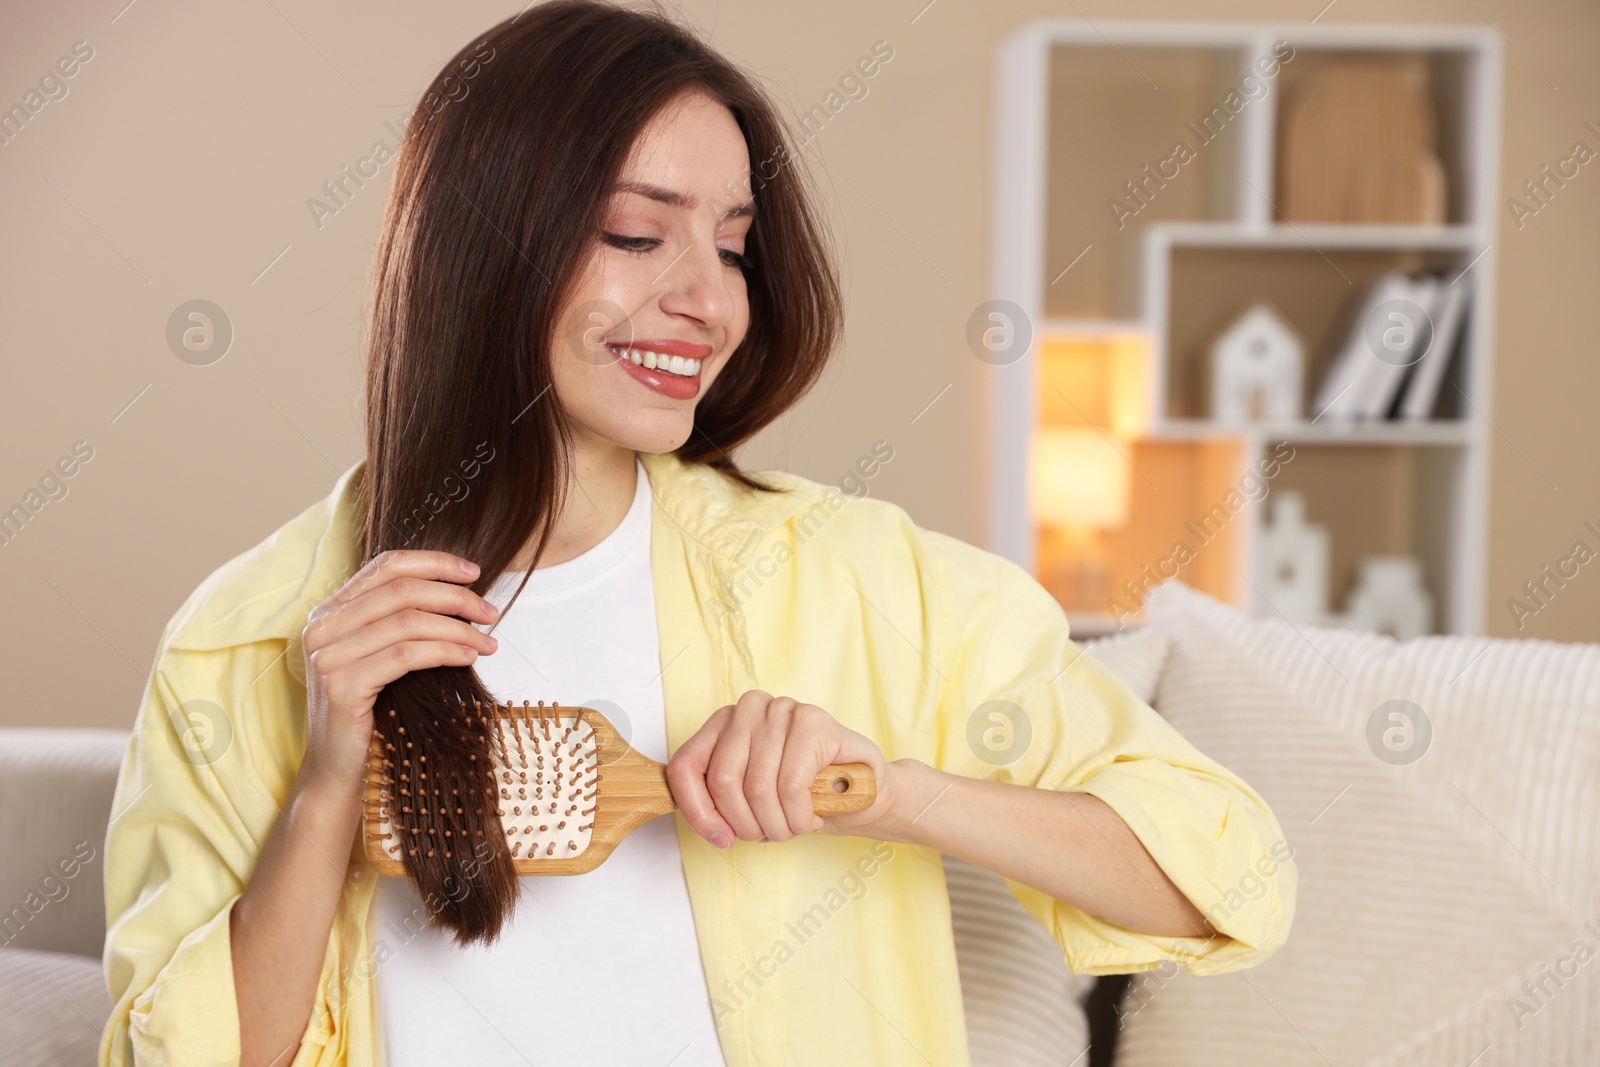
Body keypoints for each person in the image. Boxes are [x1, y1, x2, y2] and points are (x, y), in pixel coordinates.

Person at [100, 3, 1295, 1065]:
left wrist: (886, 792)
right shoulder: (245, 640)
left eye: (730, 243)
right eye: (636, 233)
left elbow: (1227, 880)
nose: (710, 298)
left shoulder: (853, 578)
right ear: (481, 246)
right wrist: (326, 787)